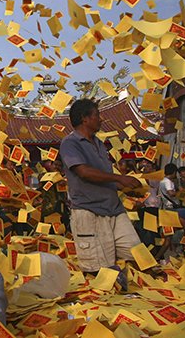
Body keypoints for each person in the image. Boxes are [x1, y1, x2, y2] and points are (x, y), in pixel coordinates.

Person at [59, 99, 142, 276]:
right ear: (85, 119)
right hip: (90, 212)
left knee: (137, 256)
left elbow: (104, 177)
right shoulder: (70, 143)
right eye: (97, 115)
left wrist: (125, 185)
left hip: (114, 209)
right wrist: (120, 178)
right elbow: (84, 172)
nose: (101, 119)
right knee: (100, 271)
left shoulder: (99, 144)